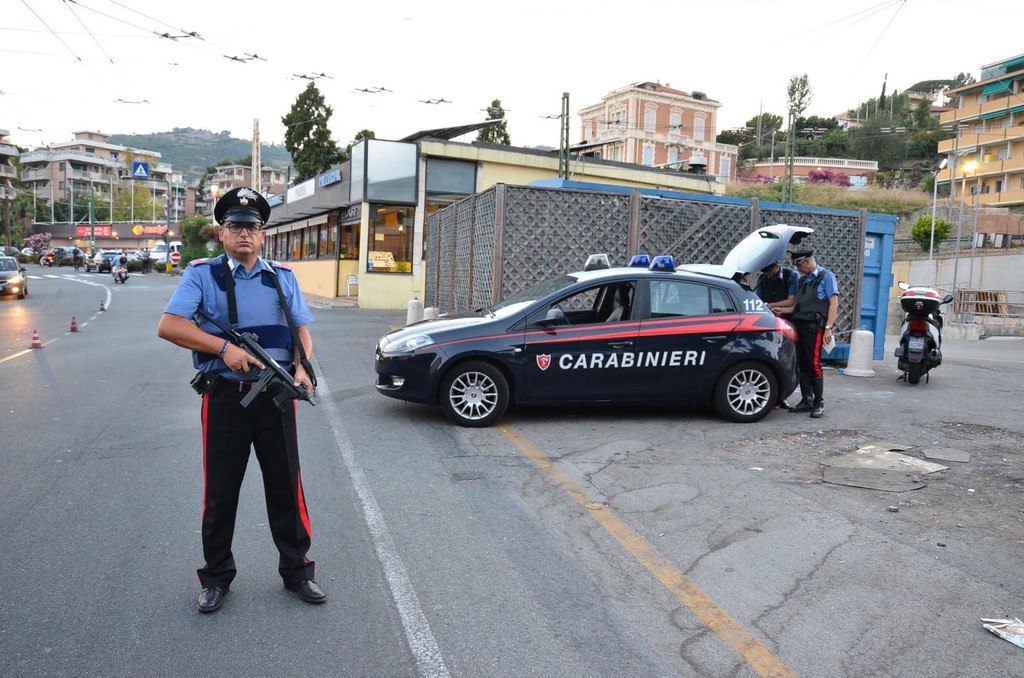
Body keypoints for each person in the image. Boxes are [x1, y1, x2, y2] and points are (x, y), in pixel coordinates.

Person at [156, 187, 325, 613]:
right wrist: (222, 349)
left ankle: (297, 571)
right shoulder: (202, 275)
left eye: (252, 226)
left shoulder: (281, 276)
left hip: (277, 396)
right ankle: (216, 577)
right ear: (222, 233)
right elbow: (170, 325)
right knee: (221, 491)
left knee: (287, 487)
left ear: (263, 234)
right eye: (235, 226)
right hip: (226, 398)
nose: (244, 233)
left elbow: (301, 330)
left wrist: (302, 367)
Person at [786, 249, 839, 419]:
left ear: (808, 261)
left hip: (814, 328)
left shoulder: (826, 276)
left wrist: (828, 327)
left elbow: (833, 303)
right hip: (800, 325)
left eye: (800, 266)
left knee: (813, 363)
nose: (798, 270)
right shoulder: (803, 280)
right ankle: (806, 400)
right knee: (802, 364)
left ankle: (818, 403)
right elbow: (798, 305)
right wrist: (779, 309)